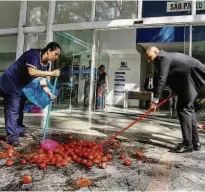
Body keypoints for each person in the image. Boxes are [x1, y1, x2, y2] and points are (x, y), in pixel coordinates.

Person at [0, 42, 61, 147]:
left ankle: (18, 129)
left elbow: (42, 80)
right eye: (55, 54)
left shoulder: (46, 64)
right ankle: (12, 137)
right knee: (13, 110)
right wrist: (51, 73)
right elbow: (32, 72)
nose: (56, 57)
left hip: (21, 86)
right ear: (49, 50)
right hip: (11, 82)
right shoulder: (33, 55)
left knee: (20, 108)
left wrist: (49, 93)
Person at [146, 46, 204, 153]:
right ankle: (195, 142)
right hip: (195, 78)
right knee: (189, 109)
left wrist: (154, 101)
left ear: (156, 52)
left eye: (150, 57)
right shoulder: (167, 57)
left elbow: (161, 79)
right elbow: (173, 74)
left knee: (183, 109)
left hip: (193, 78)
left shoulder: (162, 58)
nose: (149, 60)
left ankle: (187, 144)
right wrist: (174, 90)